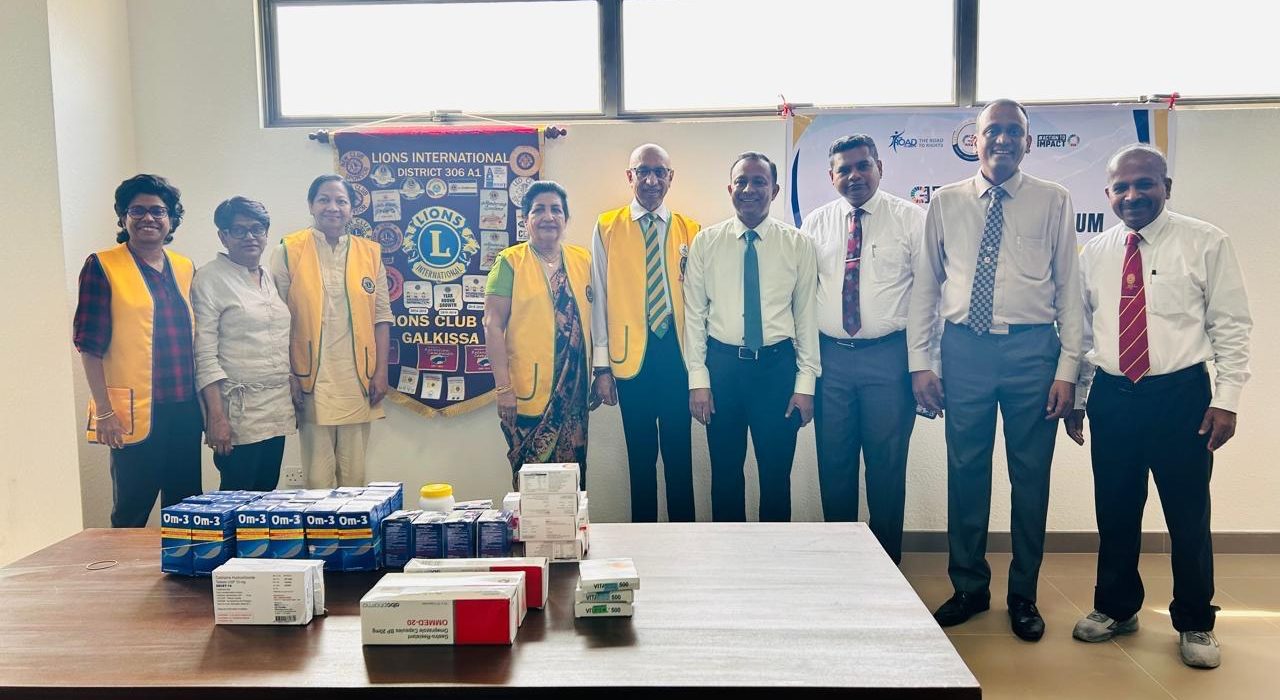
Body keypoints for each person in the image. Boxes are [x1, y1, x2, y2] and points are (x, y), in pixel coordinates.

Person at [1065, 144, 1251, 669]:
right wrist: (1078, 397)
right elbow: (1082, 333)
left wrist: (1227, 400)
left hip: (1181, 398)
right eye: (1121, 187)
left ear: (1165, 187)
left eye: (1144, 183)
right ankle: (1116, 607)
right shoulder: (1095, 252)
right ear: (1107, 194)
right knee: (1115, 510)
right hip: (1113, 396)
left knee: (1187, 514)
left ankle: (1195, 619)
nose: (1132, 195)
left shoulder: (1205, 241)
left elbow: (1231, 324)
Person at [907, 99, 1083, 641]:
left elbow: (1070, 289)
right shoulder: (946, 202)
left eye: (1013, 131)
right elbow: (927, 286)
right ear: (975, 139)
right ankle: (969, 587)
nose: (1002, 139)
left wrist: (1068, 369)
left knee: (1031, 475)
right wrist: (921, 363)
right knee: (967, 470)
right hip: (965, 351)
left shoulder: (1053, 199)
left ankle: (1023, 594)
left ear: (1027, 141)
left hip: (1034, 352)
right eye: (992, 131)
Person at [799, 134, 925, 564]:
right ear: (831, 176)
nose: (854, 175)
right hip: (831, 359)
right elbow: (804, 296)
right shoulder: (815, 223)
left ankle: (887, 565)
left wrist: (923, 364)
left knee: (887, 467)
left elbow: (928, 297)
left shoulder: (911, 219)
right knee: (834, 465)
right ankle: (842, 563)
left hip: (889, 359)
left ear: (879, 168)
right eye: (844, 169)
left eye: (862, 166)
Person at [685, 152, 819, 522]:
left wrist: (806, 384)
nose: (749, 189)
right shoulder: (706, 242)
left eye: (759, 181)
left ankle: (774, 555)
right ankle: (730, 554)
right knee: (725, 475)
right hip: (723, 370)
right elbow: (694, 316)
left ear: (774, 190)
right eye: (741, 181)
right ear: (729, 189)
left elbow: (806, 316)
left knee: (776, 477)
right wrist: (698, 380)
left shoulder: (797, 244)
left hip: (777, 370)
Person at [73, 174, 202, 527]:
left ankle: (179, 564)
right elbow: (88, 345)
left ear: (171, 219)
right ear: (123, 217)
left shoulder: (184, 267)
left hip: (184, 408)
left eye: (158, 211)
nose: (149, 218)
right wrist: (103, 411)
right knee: (132, 508)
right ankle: (124, 567)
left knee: (186, 508)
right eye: (138, 210)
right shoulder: (102, 265)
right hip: (132, 410)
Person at [590, 144, 700, 523]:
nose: (651, 180)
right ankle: (643, 541)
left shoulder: (690, 229)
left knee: (680, 457)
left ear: (671, 177)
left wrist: (700, 369)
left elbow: (699, 304)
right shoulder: (607, 226)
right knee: (640, 460)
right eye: (643, 172)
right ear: (630, 176)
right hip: (630, 361)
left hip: (677, 359)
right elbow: (600, 297)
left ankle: (685, 539)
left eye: (659, 172)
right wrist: (601, 367)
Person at [269, 175, 392, 488]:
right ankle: (319, 524)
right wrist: (288, 375)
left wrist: (381, 372)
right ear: (311, 205)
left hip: (358, 378)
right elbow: (277, 320)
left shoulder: (370, 253)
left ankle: (354, 524)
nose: (332, 207)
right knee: (317, 477)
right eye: (324, 199)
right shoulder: (289, 250)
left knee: (355, 476)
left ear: (351, 209)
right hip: (311, 378)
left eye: (341, 201)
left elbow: (381, 317)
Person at [484, 181, 593, 488]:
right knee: (532, 483)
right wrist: (503, 388)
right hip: (526, 392)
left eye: (556, 210)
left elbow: (596, 319)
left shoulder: (583, 260)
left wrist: (601, 372)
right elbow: (492, 325)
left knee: (572, 481)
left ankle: (570, 523)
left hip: (573, 394)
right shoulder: (509, 262)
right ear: (525, 219)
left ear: (566, 218)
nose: (548, 217)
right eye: (539, 210)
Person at [192, 197, 300, 491]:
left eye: (257, 229)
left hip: (276, 407)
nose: (250, 237)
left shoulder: (269, 278)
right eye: (239, 230)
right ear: (223, 236)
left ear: (266, 233)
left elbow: (276, 337)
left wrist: (291, 378)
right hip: (237, 412)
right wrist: (216, 417)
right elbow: (204, 354)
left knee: (267, 495)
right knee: (237, 498)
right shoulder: (209, 278)